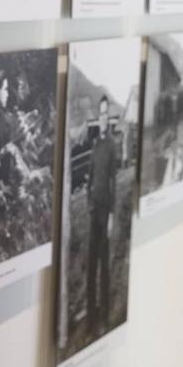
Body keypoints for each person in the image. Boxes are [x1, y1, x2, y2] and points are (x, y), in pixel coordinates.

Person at [84, 97, 117, 334]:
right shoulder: (95, 146)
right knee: (91, 263)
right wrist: (88, 201)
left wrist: (113, 214)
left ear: (110, 118)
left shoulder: (112, 146)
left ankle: (104, 313)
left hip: (106, 211)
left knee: (104, 264)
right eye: (101, 114)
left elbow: (114, 180)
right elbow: (89, 176)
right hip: (94, 210)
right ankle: (90, 314)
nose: (103, 118)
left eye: (106, 114)